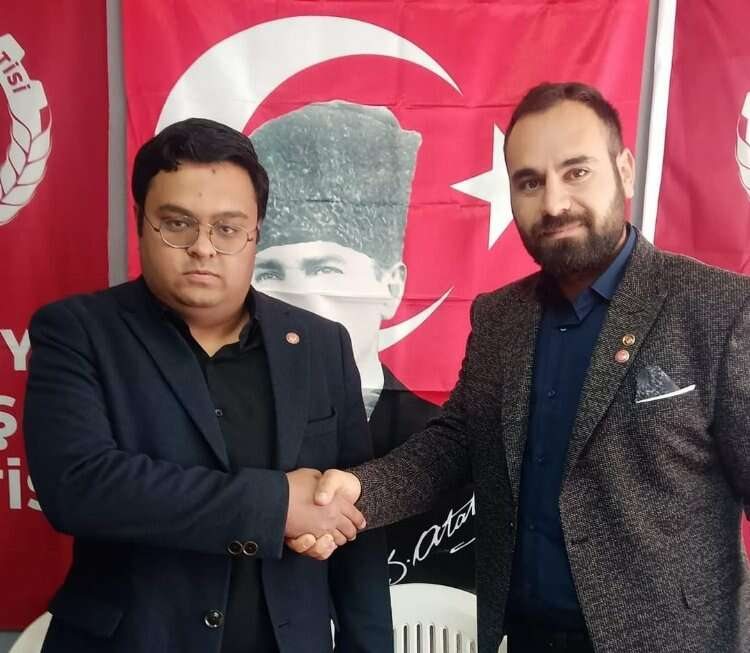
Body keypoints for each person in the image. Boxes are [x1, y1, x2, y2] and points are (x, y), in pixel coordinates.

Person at [289, 83, 750, 653]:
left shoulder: (718, 309)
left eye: (576, 172)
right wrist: (358, 492)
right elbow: (455, 445)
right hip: (523, 637)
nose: (553, 204)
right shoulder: (500, 316)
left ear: (625, 171)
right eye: (530, 182)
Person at [23, 118, 392, 653]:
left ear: (255, 234)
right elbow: (80, 487)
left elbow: (354, 519)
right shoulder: (77, 331)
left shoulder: (320, 344)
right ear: (141, 221)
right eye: (177, 224)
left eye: (227, 228)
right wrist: (275, 505)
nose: (202, 247)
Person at [251, 101, 475, 590]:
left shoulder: (439, 445)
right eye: (269, 273)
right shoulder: (230, 431)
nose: (301, 300)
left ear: (390, 287)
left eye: (325, 270)